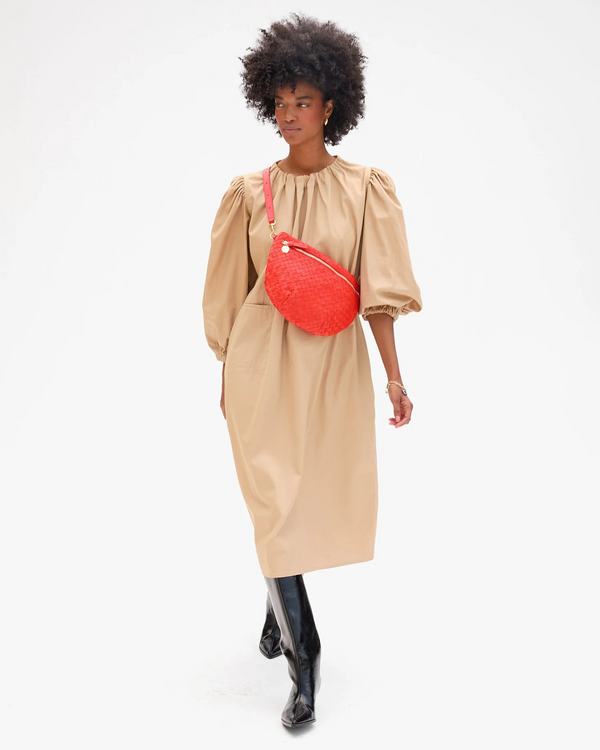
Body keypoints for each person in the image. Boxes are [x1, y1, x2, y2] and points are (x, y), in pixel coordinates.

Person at [202, 12, 423, 729]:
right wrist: (225, 368)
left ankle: (276, 612)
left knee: (305, 498)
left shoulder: (366, 188)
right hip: (260, 360)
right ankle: (307, 658)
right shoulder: (247, 191)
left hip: (330, 361)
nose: (288, 114)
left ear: (332, 104)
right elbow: (228, 290)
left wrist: (394, 377)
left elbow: (378, 292)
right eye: (279, 102)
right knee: (272, 498)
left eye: (302, 101)